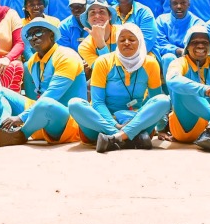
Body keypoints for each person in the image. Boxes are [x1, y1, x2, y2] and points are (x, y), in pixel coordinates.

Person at [68, 22, 171, 152]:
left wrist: (159, 128)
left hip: (136, 120)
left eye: (132, 39)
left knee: (164, 100)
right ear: (117, 42)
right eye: (122, 40)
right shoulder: (103, 62)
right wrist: (115, 125)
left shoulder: (150, 63)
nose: (126, 43)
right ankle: (126, 137)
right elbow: (98, 102)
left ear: (140, 42)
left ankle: (114, 139)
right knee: (74, 104)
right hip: (102, 124)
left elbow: (154, 99)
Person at [0, 18, 86, 147]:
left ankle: (20, 135)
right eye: (30, 35)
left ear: (51, 35)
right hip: (40, 112)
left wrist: (21, 117)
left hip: (68, 121)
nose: (33, 37)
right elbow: (37, 96)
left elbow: (52, 95)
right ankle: (3, 127)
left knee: (45, 103)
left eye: (38, 32)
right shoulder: (32, 62)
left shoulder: (66, 56)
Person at [77, 0, 159, 68]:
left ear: (110, 16)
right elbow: (105, 70)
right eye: (92, 13)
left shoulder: (125, 32)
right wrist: (100, 42)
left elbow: (132, 64)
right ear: (87, 19)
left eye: (102, 12)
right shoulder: (84, 47)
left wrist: (101, 43)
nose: (97, 16)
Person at [155, 0, 207, 65]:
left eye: (183, 3)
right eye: (175, 3)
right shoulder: (161, 21)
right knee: (168, 57)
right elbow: (159, 43)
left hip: (191, 57)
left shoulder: (198, 23)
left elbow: (200, 45)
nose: (179, 6)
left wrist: (187, 52)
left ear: (188, 5)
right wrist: (177, 50)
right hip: (167, 57)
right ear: (170, 6)